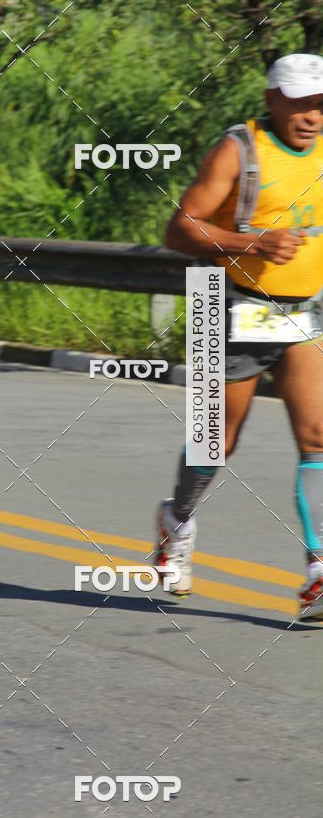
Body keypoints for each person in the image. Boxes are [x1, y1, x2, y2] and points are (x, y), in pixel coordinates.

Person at [155, 52, 323, 620]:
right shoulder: (239, 150)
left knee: (319, 434)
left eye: (320, 103)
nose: (310, 114)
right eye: (299, 102)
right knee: (216, 440)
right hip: (227, 304)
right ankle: (176, 521)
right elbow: (179, 229)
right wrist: (254, 243)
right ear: (272, 98)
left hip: (304, 310)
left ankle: (320, 570)